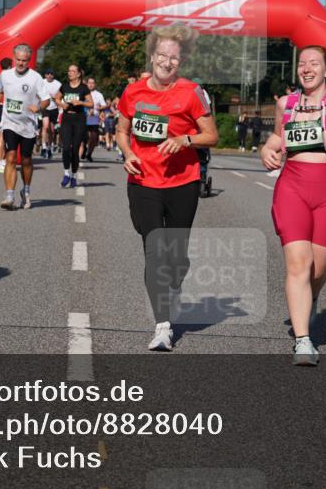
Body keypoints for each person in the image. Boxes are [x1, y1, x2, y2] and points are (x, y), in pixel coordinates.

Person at [260, 45, 326, 366]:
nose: (307, 69)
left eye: (314, 63)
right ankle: (303, 340)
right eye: (302, 64)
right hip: (291, 187)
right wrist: (266, 148)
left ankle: (313, 294)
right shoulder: (286, 104)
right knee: (298, 265)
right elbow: (278, 137)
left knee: (316, 271)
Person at [116, 23, 219, 351]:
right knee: (154, 249)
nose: (167, 62)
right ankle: (162, 326)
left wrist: (185, 140)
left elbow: (211, 135)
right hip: (143, 180)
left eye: (173, 58)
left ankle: (175, 282)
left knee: (176, 256)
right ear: (152, 56)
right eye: (162, 55)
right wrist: (128, 153)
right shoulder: (133, 92)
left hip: (182, 183)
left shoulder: (192, 92)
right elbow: (122, 130)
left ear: (181, 61)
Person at [0, 45, 50, 209]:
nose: (21, 63)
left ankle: (26, 190)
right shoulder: (5, 75)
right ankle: (9, 196)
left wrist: (38, 107)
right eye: (18, 60)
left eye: (24, 60)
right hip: (9, 122)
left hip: (28, 125)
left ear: (29, 60)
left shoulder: (35, 78)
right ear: (14, 58)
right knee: (10, 156)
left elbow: (46, 100)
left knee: (26, 160)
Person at [54, 64, 92, 188]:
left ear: (78, 74)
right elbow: (56, 98)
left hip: (79, 119)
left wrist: (80, 102)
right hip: (66, 118)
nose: (70, 73)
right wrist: (62, 104)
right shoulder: (64, 86)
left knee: (75, 149)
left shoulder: (83, 88)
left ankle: (74, 175)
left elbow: (91, 103)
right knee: (65, 148)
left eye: (73, 71)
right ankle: (66, 173)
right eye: (69, 71)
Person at [82, 77, 107, 162]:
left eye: (92, 83)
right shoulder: (83, 92)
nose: (91, 84)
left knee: (94, 137)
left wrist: (98, 108)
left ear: (95, 84)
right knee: (84, 136)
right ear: (87, 84)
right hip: (84, 117)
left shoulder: (99, 94)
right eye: (89, 83)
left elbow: (104, 105)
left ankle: (89, 154)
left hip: (94, 117)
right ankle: (84, 147)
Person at [40, 68, 61, 159]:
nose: (49, 75)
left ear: (53, 75)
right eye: (47, 74)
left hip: (54, 108)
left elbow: (61, 96)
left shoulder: (58, 84)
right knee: (45, 126)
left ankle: (49, 148)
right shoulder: (41, 82)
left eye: (51, 74)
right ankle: (43, 147)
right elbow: (37, 93)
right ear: (45, 75)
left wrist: (55, 97)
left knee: (52, 130)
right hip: (45, 107)